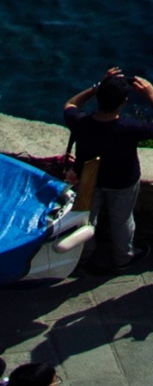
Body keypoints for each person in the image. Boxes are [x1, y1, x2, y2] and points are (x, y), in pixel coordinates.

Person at [62, 66, 153, 267]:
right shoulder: (131, 128)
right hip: (123, 182)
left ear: (99, 98)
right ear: (124, 102)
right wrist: (150, 94)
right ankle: (123, 257)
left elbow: (70, 104)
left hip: (88, 179)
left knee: (86, 217)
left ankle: (82, 254)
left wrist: (96, 87)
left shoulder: (80, 122)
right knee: (122, 221)